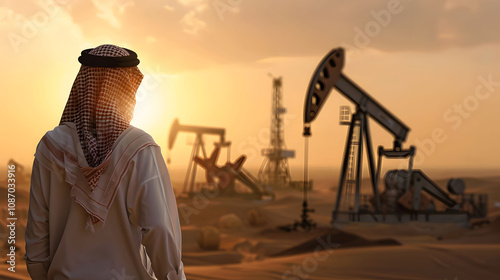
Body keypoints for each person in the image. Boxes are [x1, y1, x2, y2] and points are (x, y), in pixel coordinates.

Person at [25, 44, 186, 280]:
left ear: (82, 85)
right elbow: (159, 229)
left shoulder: (51, 145)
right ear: (127, 89)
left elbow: (38, 237)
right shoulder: (139, 147)